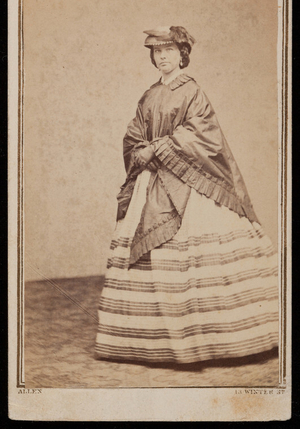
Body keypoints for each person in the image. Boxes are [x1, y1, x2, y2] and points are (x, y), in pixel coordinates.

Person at [95, 26, 278, 364]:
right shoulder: (149, 94)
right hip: (153, 178)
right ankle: (148, 341)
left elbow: (202, 134)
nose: (162, 56)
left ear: (182, 55)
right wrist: (140, 150)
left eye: (169, 50)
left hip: (189, 181)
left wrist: (160, 147)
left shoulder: (192, 90)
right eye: (157, 52)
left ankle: (214, 341)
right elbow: (133, 133)